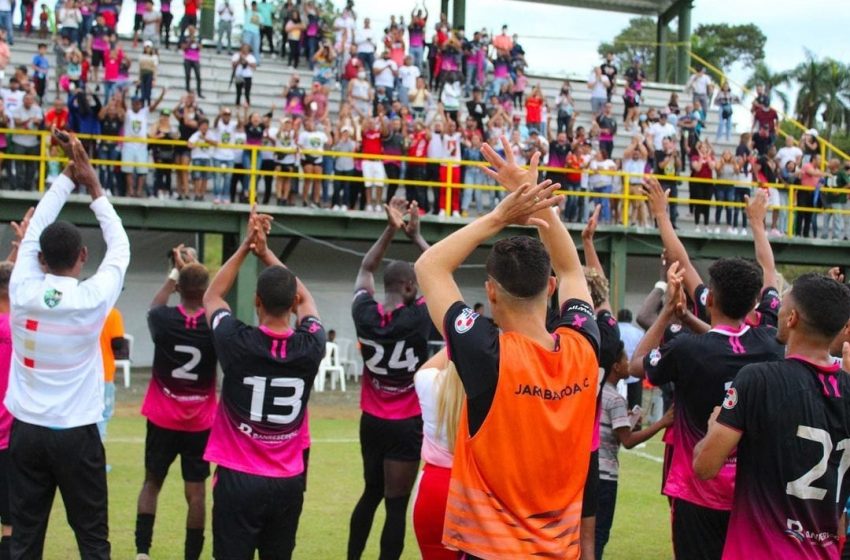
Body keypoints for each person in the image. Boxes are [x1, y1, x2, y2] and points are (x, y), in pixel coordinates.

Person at [415, 136, 599, 559]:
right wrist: (537, 205)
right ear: (549, 288)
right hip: (561, 551)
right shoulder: (583, 345)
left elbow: (429, 266)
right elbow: (572, 267)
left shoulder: (486, 354)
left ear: (491, 293)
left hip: (491, 551)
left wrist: (502, 214)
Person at [630, 178, 786, 560]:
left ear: (710, 299)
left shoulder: (686, 350)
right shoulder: (767, 340)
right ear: (756, 303)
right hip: (752, 495)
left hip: (698, 492)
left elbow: (636, 365)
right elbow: (768, 270)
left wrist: (662, 217)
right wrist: (757, 226)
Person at [6, 132, 129, 559]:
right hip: (76, 434)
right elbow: (120, 248)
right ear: (81, 256)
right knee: (93, 540)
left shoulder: (20, 290)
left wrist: (65, 177)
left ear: (37, 258)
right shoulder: (91, 299)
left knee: (24, 540)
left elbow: (37, 226)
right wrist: (92, 185)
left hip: (26, 433)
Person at [694, 273, 850, 559]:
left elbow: (705, 467)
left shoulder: (759, 379)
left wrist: (713, 425)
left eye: (782, 307)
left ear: (792, 319)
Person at [202, 210, 325, 560]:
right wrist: (267, 253)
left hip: (239, 478)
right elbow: (309, 302)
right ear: (292, 304)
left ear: (256, 302)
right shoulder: (312, 344)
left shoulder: (236, 341)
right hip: (288, 481)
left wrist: (246, 248)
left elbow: (213, 297)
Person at [347, 200, 431, 560]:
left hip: (372, 420)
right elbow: (443, 274)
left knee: (370, 494)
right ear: (411, 287)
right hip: (406, 422)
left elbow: (366, 266)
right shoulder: (418, 317)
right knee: (395, 507)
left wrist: (390, 230)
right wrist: (417, 238)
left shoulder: (362, 311)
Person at [134, 246, 216, 560]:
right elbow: (213, 303)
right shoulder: (214, 324)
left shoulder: (163, 319)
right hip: (199, 421)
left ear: (179, 287)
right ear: (206, 290)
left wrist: (175, 273)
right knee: (195, 492)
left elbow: (154, 306)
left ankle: (143, 552)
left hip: (162, 416)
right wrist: (193, 275)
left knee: (151, 483)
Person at [596, 344, 673, 560]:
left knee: (587, 533)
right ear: (616, 367)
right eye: (626, 360)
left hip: (589, 472)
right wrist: (662, 423)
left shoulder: (597, 392)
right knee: (600, 533)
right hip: (605, 477)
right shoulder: (616, 399)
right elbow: (628, 441)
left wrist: (628, 422)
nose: (629, 363)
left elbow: (616, 431)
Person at [412, 349, 463, 560]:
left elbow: (426, 369)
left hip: (433, 489)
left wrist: (456, 332)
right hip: (475, 489)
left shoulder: (427, 381)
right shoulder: (493, 387)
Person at [97, 306, 124, 443]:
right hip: (104, 373)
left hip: (80, 375)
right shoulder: (113, 314)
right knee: (102, 417)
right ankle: (97, 459)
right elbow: (118, 344)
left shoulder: (81, 309)